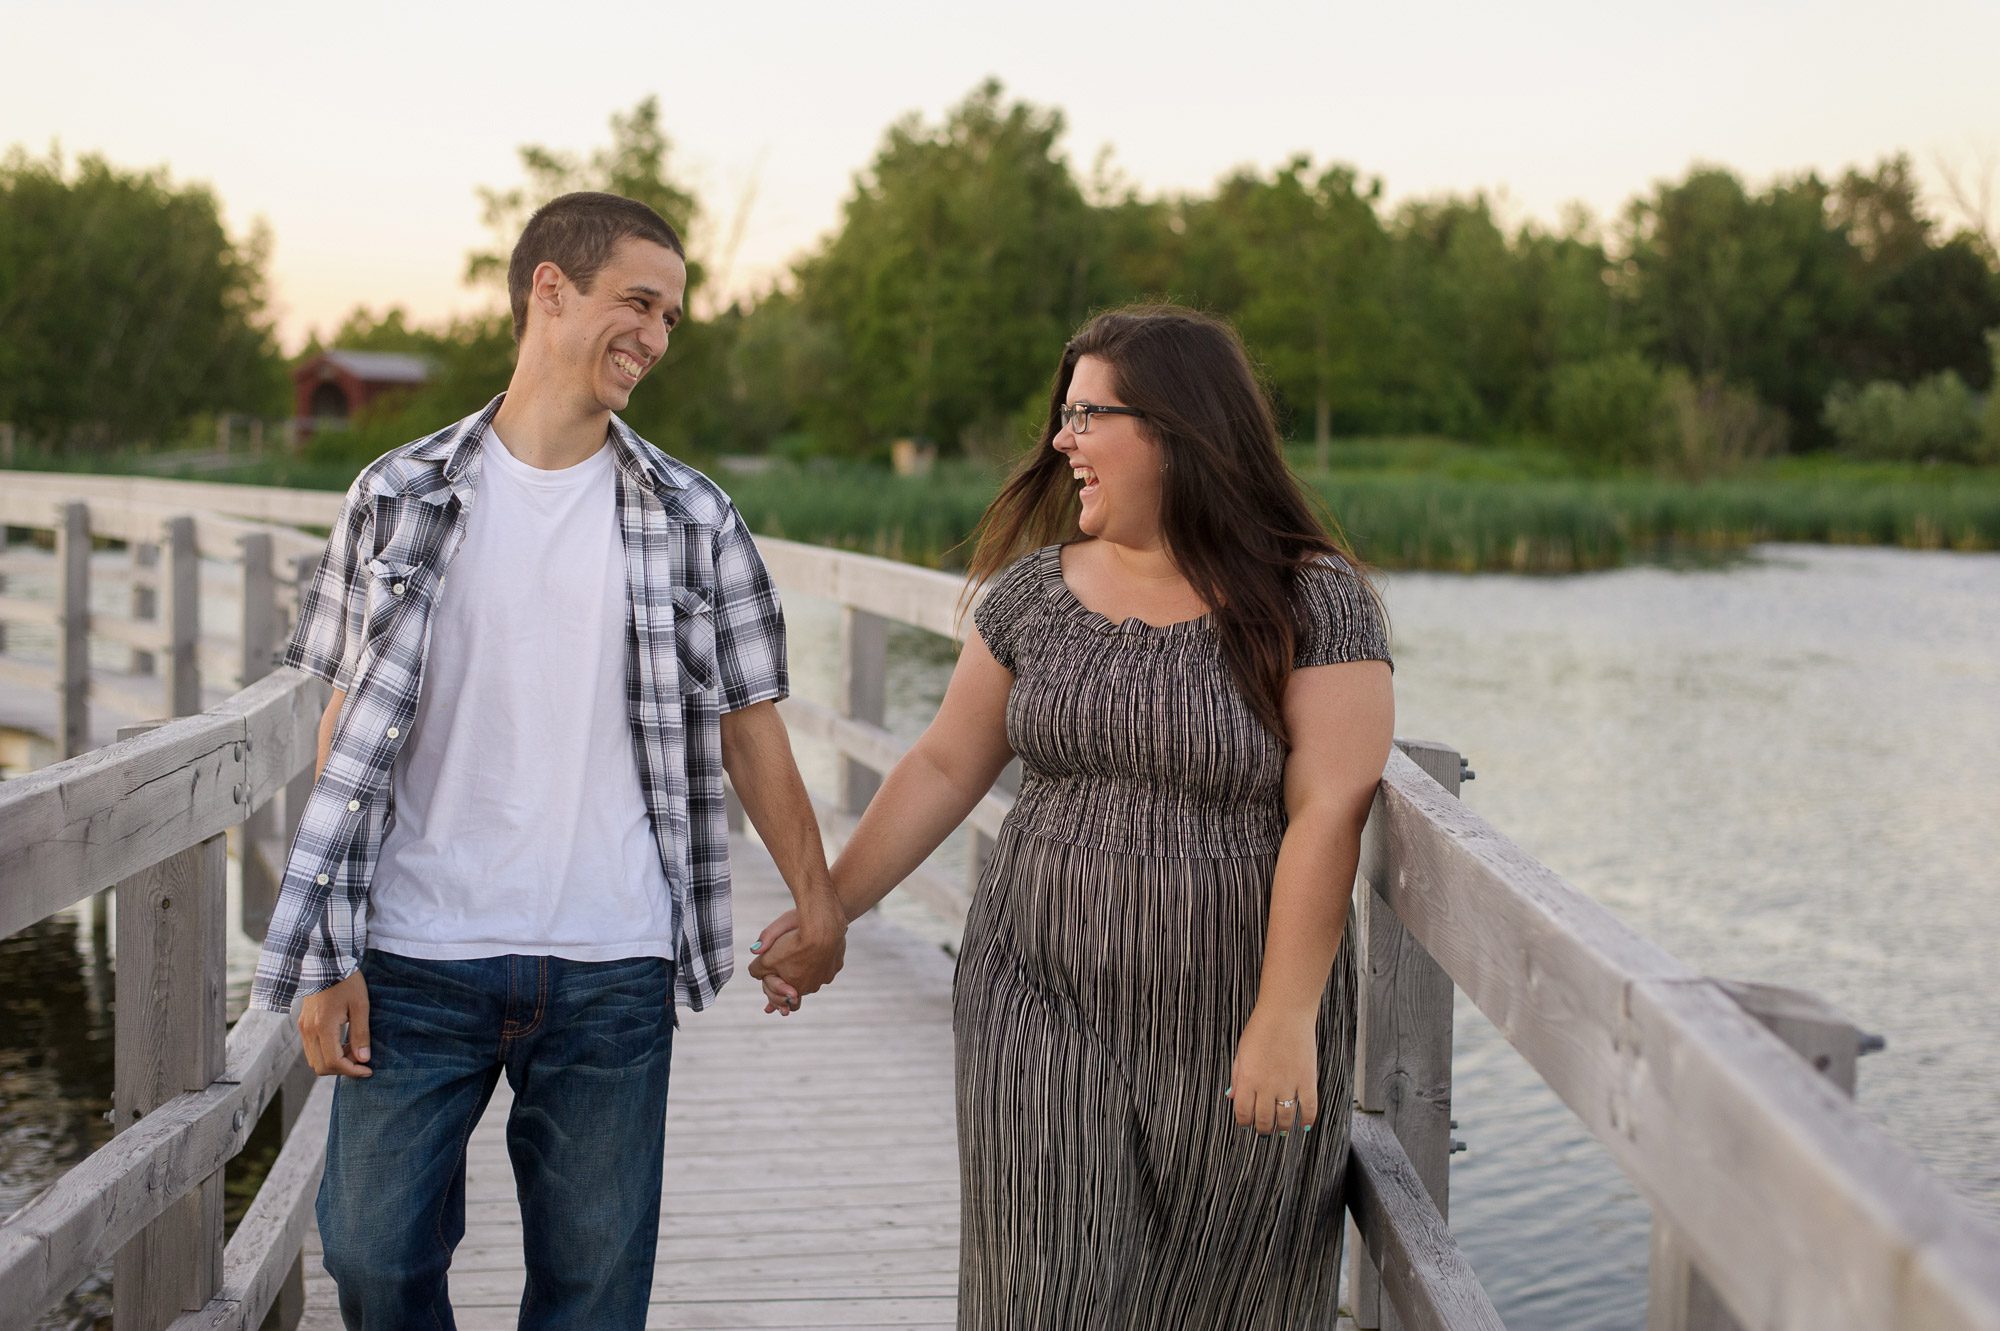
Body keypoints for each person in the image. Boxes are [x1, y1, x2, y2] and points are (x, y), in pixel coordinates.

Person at [248, 191, 847, 1330]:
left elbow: (750, 721)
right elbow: (342, 732)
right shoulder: (396, 492)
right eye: (638, 302)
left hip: (610, 960)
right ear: (549, 289)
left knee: (591, 1297)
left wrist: (818, 902)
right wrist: (324, 945)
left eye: (672, 317)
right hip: (415, 950)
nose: (657, 338)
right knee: (369, 1255)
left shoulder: (693, 513)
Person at [752, 305, 1395, 1329]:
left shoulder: (1312, 600)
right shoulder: (1030, 597)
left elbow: (1330, 806)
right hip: (1036, 992)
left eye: (1087, 415)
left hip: (1237, 1002)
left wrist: (1282, 1017)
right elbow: (943, 764)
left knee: (1233, 1302)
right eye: (1062, 416)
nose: (1061, 441)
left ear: (1176, 427)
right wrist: (828, 909)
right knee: (1042, 1296)